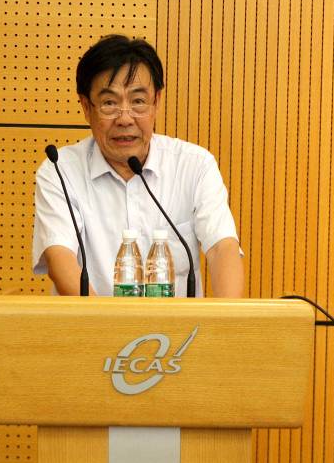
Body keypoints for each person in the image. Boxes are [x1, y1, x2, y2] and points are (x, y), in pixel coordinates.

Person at [32, 35, 244, 297]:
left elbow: (222, 248)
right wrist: (103, 322)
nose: (125, 118)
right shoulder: (60, 170)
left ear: (156, 102)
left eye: (138, 101)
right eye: (109, 103)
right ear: (87, 107)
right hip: (92, 322)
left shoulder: (194, 165)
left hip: (178, 325)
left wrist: (226, 319)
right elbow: (59, 256)